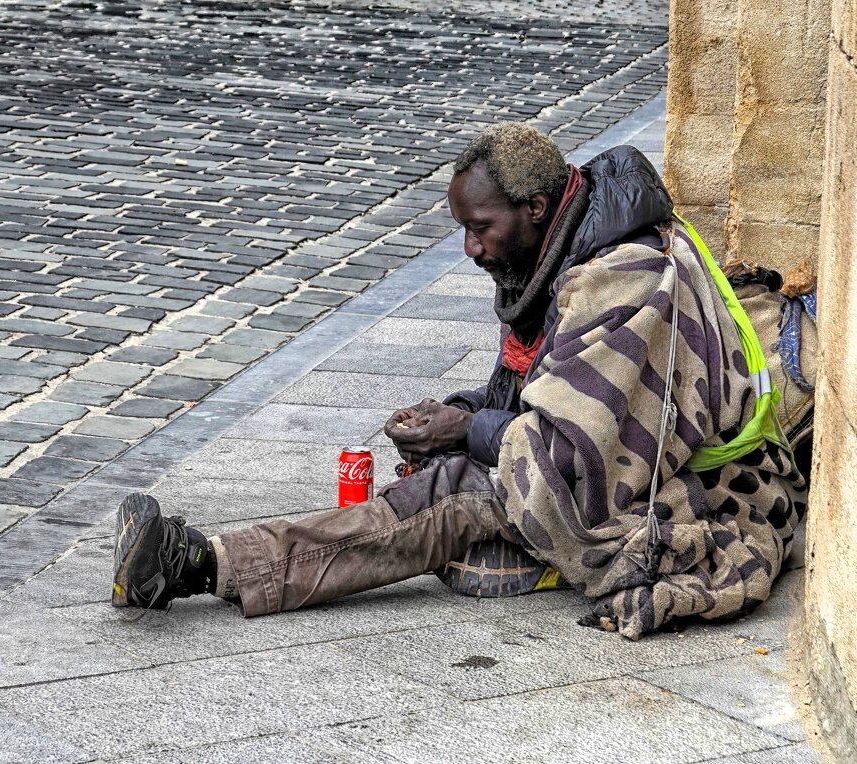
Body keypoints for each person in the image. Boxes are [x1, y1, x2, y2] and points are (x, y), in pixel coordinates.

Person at [110, 123, 814, 640]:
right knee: (454, 466)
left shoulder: (622, 279)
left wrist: (465, 435)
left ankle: (203, 566)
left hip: (703, 494)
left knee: (449, 496)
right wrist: (461, 413)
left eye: (481, 227)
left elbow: (564, 456)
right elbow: (541, 390)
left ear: (536, 209)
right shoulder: (575, 246)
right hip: (640, 461)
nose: (471, 248)